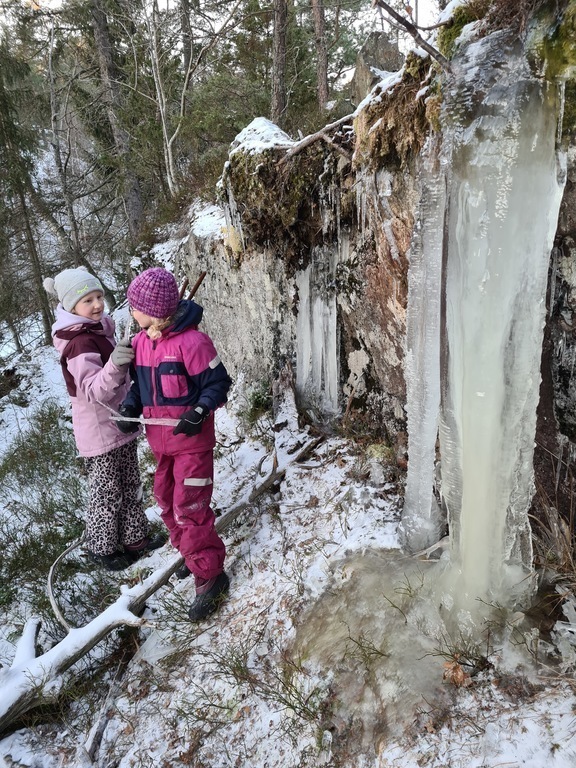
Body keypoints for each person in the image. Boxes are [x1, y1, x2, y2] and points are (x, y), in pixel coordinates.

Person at [116, 267, 232, 622]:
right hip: (161, 443)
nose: (131, 312)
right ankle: (192, 554)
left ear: (154, 310)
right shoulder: (141, 343)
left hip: (192, 444)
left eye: (135, 306)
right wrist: (130, 407)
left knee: (189, 507)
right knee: (165, 501)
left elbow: (218, 383)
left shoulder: (193, 343)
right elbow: (140, 386)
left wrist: (199, 410)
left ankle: (210, 576)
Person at [44, 267, 166, 571]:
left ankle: (135, 538)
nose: (97, 304)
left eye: (99, 296)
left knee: (130, 483)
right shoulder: (78, 343)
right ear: (72, 308)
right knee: (107, 493)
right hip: (100, 434)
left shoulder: (99, 330)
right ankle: (102, 548)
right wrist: (115, 363)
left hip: (119, 424)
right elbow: (92, 390)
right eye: (88, 300)